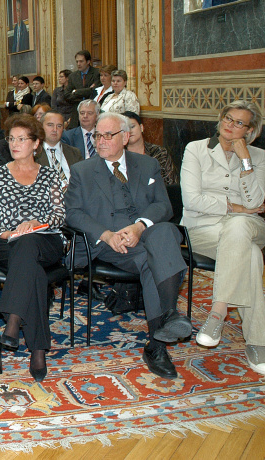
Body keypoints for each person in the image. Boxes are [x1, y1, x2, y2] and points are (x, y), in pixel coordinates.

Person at [65, 112, 191, 379]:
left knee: (165, 232)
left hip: (143, 234)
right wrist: (107, 234)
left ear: (125, 137)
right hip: (108, 242)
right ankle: (161, 336)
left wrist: (140, 226)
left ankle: (162, 330)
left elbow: (163, 206)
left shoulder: (147, 165)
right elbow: (73, 213)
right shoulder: (82, 171)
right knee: (155, 257)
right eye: (98, 135)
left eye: (108, 135)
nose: (100, 141)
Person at [180, 101, 265, 375]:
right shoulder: (196, 149)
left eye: (238, 123)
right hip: (203, 229)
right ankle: (257, 344)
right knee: (250, 256)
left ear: (250, 130)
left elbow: (257, 201)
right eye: (227, 118)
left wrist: (245, 161)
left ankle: (218, 312)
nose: (229, 125)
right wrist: (236, 207)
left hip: (249, 227)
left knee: (240, 227)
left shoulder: (258, 155)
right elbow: (191, 199)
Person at [0, 114, 66, 381]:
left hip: (46, 240)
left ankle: (13, 318)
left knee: (28, 243)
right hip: (7, 243)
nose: (15, 144)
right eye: (11, 139)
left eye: (22, 139)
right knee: (33, 271)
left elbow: (60, 215)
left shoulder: (50, 175)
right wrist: (4, 232)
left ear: (36, 143)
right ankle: (38, 349)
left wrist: (37, 223)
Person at [122, 112, 178, 185]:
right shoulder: (119, 156)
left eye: (132, 126)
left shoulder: (159, 152)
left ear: (141, 127)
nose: (130, 131)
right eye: (125, 129)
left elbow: (172, 183)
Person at [36, 110, 82, 191]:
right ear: (41, 127)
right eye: (50, 125)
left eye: (59, 126)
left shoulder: (75, 153)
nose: (55, 129)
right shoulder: (33, 154)